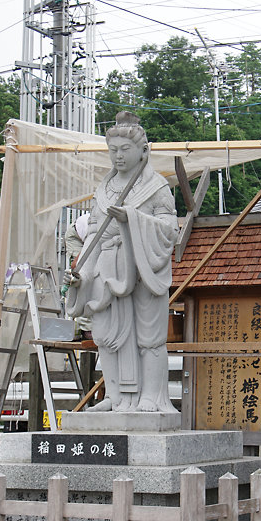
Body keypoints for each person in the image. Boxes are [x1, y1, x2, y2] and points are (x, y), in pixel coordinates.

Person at [66, 111, 179, 413]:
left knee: (148, 336)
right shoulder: (103, 191)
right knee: (106, 334)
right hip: (107, 265)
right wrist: (82, 271)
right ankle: (114, 397)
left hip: (143, 267)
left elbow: (170, 229)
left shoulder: (157, 187)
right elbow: (93, 233)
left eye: (124, 149)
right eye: (113, 150)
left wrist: (133, 219)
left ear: (144, 150)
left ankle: (151, 396)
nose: (117, 156)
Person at [63, 213, 92, 340]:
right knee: (82, 277)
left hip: (86, 236)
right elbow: (76, 265)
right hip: (76, 235)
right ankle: (86, 327)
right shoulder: (96, 230)